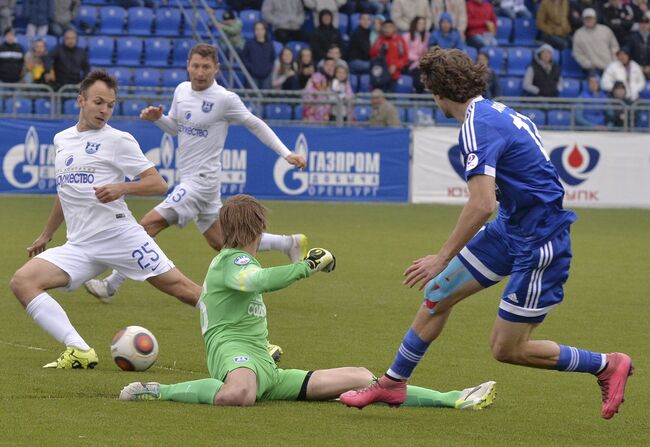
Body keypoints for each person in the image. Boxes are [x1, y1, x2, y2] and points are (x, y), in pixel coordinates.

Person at [339, 47, 633, 421]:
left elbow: (481, 204)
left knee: (507, 349)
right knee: (438, 293)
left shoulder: (476, 126)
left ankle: (606, 364)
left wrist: (441, 257)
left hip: (539, 241)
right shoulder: (497, 111)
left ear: (439, 92)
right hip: (513, 227)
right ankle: (393, 383)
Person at [119, 194, 497, 410]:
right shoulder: (229, 262)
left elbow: (256, 277)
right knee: (239, 394)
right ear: (257, 230)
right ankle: (158, 390)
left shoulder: (239, 259)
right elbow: (259, 281)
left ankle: (452, 399)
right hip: (234, 357)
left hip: (265, 365)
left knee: (364, 378)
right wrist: (307, 266)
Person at [8, 70, 203, 369]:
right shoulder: (62, 140)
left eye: (110, 105)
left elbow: (158, 184)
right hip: (81, 245)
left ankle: (256, 341)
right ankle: (79, 350)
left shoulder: (118, 140)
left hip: (120, 235)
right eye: (98, 102)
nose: (104, 110)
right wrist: (46, 234)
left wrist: (121, 187)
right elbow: (66, 192)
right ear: (81, 101)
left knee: (184, 291)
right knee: (22, 282)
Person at [84, 44, 307, 302]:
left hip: (201, 183)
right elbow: (176, 129)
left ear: (216, 69)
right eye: (196, 66)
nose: (200, 72)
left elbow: (254, 124)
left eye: (206, 67)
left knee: (146, 226)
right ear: (188, 64)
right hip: (196, 184)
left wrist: (286, 152)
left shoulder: (224, 99)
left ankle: (111, 285)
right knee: (222, 242)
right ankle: (287, 243)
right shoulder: (181, 91)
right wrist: (159, 118)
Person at [573, 8, 619, 72]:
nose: (589, 20)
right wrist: (588, 64)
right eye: (586, 18)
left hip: (610, 66)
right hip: (592, 68)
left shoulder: (605, 30)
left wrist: (614, 61)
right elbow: (577, 53)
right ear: (583, 20)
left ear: (595, 19)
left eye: (591, 18)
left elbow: (614, 46)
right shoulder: (578, 34)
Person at [370, 19, 409, 91]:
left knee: (390, 98)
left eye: (390, 27)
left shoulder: (399, 40)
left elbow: (405, 58)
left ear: (394, 28)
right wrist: (380, 49)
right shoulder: (379, 39)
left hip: (393, 74)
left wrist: (396, 66)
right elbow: (372, 54)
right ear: (382, 28)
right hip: (380, 74)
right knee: (377, 96)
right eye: (385, 27)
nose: (387, 29)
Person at [241, 21, 275, 89]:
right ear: (254, 31)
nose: (259, 31)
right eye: (257, 29)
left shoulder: (270, 44)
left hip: (266, 75)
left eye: (261, 29)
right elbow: (244, 58)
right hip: (252, 75)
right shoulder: (249, 44)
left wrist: (268, 68)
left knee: (266, 96)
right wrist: (251, 68)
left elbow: (272, 58)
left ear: (265, 30)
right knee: (253, 96)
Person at [303, 57, 335, 122]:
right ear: (323, 66)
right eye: (327, 65)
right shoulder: (316, 76)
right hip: (314, 111)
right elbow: (308, 92)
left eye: (332, 65)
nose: (329, 67)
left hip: (330, 112)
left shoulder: (337, 78)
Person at [626, 14, 650, 79]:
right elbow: (627, 53)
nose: (644, 25)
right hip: (635, 68)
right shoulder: (632, 37)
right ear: (639, 24)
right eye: (642, 23)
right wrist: (636, 66)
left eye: (646, 23)